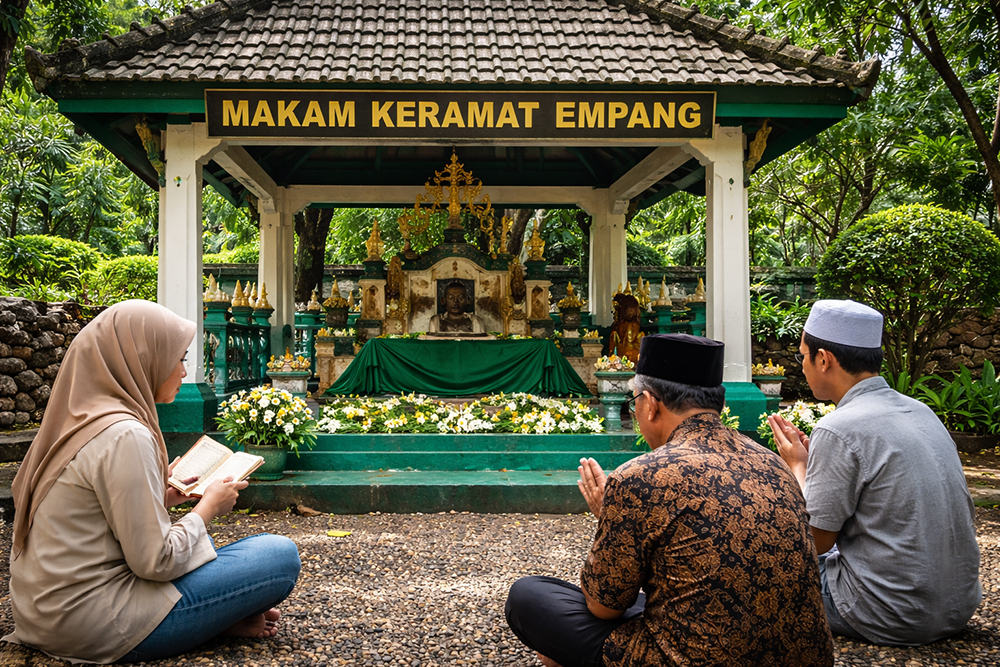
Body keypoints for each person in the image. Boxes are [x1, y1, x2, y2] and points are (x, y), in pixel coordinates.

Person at [505, 333, 833, 667]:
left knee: (529, 597)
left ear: (649, 403)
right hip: (803, 656)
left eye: (634, 403)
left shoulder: (640, 477)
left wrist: (611, 518)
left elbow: (604, 606)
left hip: (690, 659)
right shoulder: (775, 464)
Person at [3, 300, 301, 664]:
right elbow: (156, 563)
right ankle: (211, 618)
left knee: (216, 554)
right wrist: (209, 507)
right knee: (277, 555)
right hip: (95, 626)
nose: (182, 370)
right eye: (177, 358)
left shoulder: (78, 420)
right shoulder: (125, 434)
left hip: (43, 615)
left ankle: (218, 619)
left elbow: (86, 522)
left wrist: (160, 497)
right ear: (143, 360)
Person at [767, 299, 980, 645]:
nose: (801, 366)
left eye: (802, 356)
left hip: (887, 612)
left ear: (824, 359)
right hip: (956, 605)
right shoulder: (921, 411)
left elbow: (816, 542)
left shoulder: (839, 427)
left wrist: (797, 466)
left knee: (756, 561)